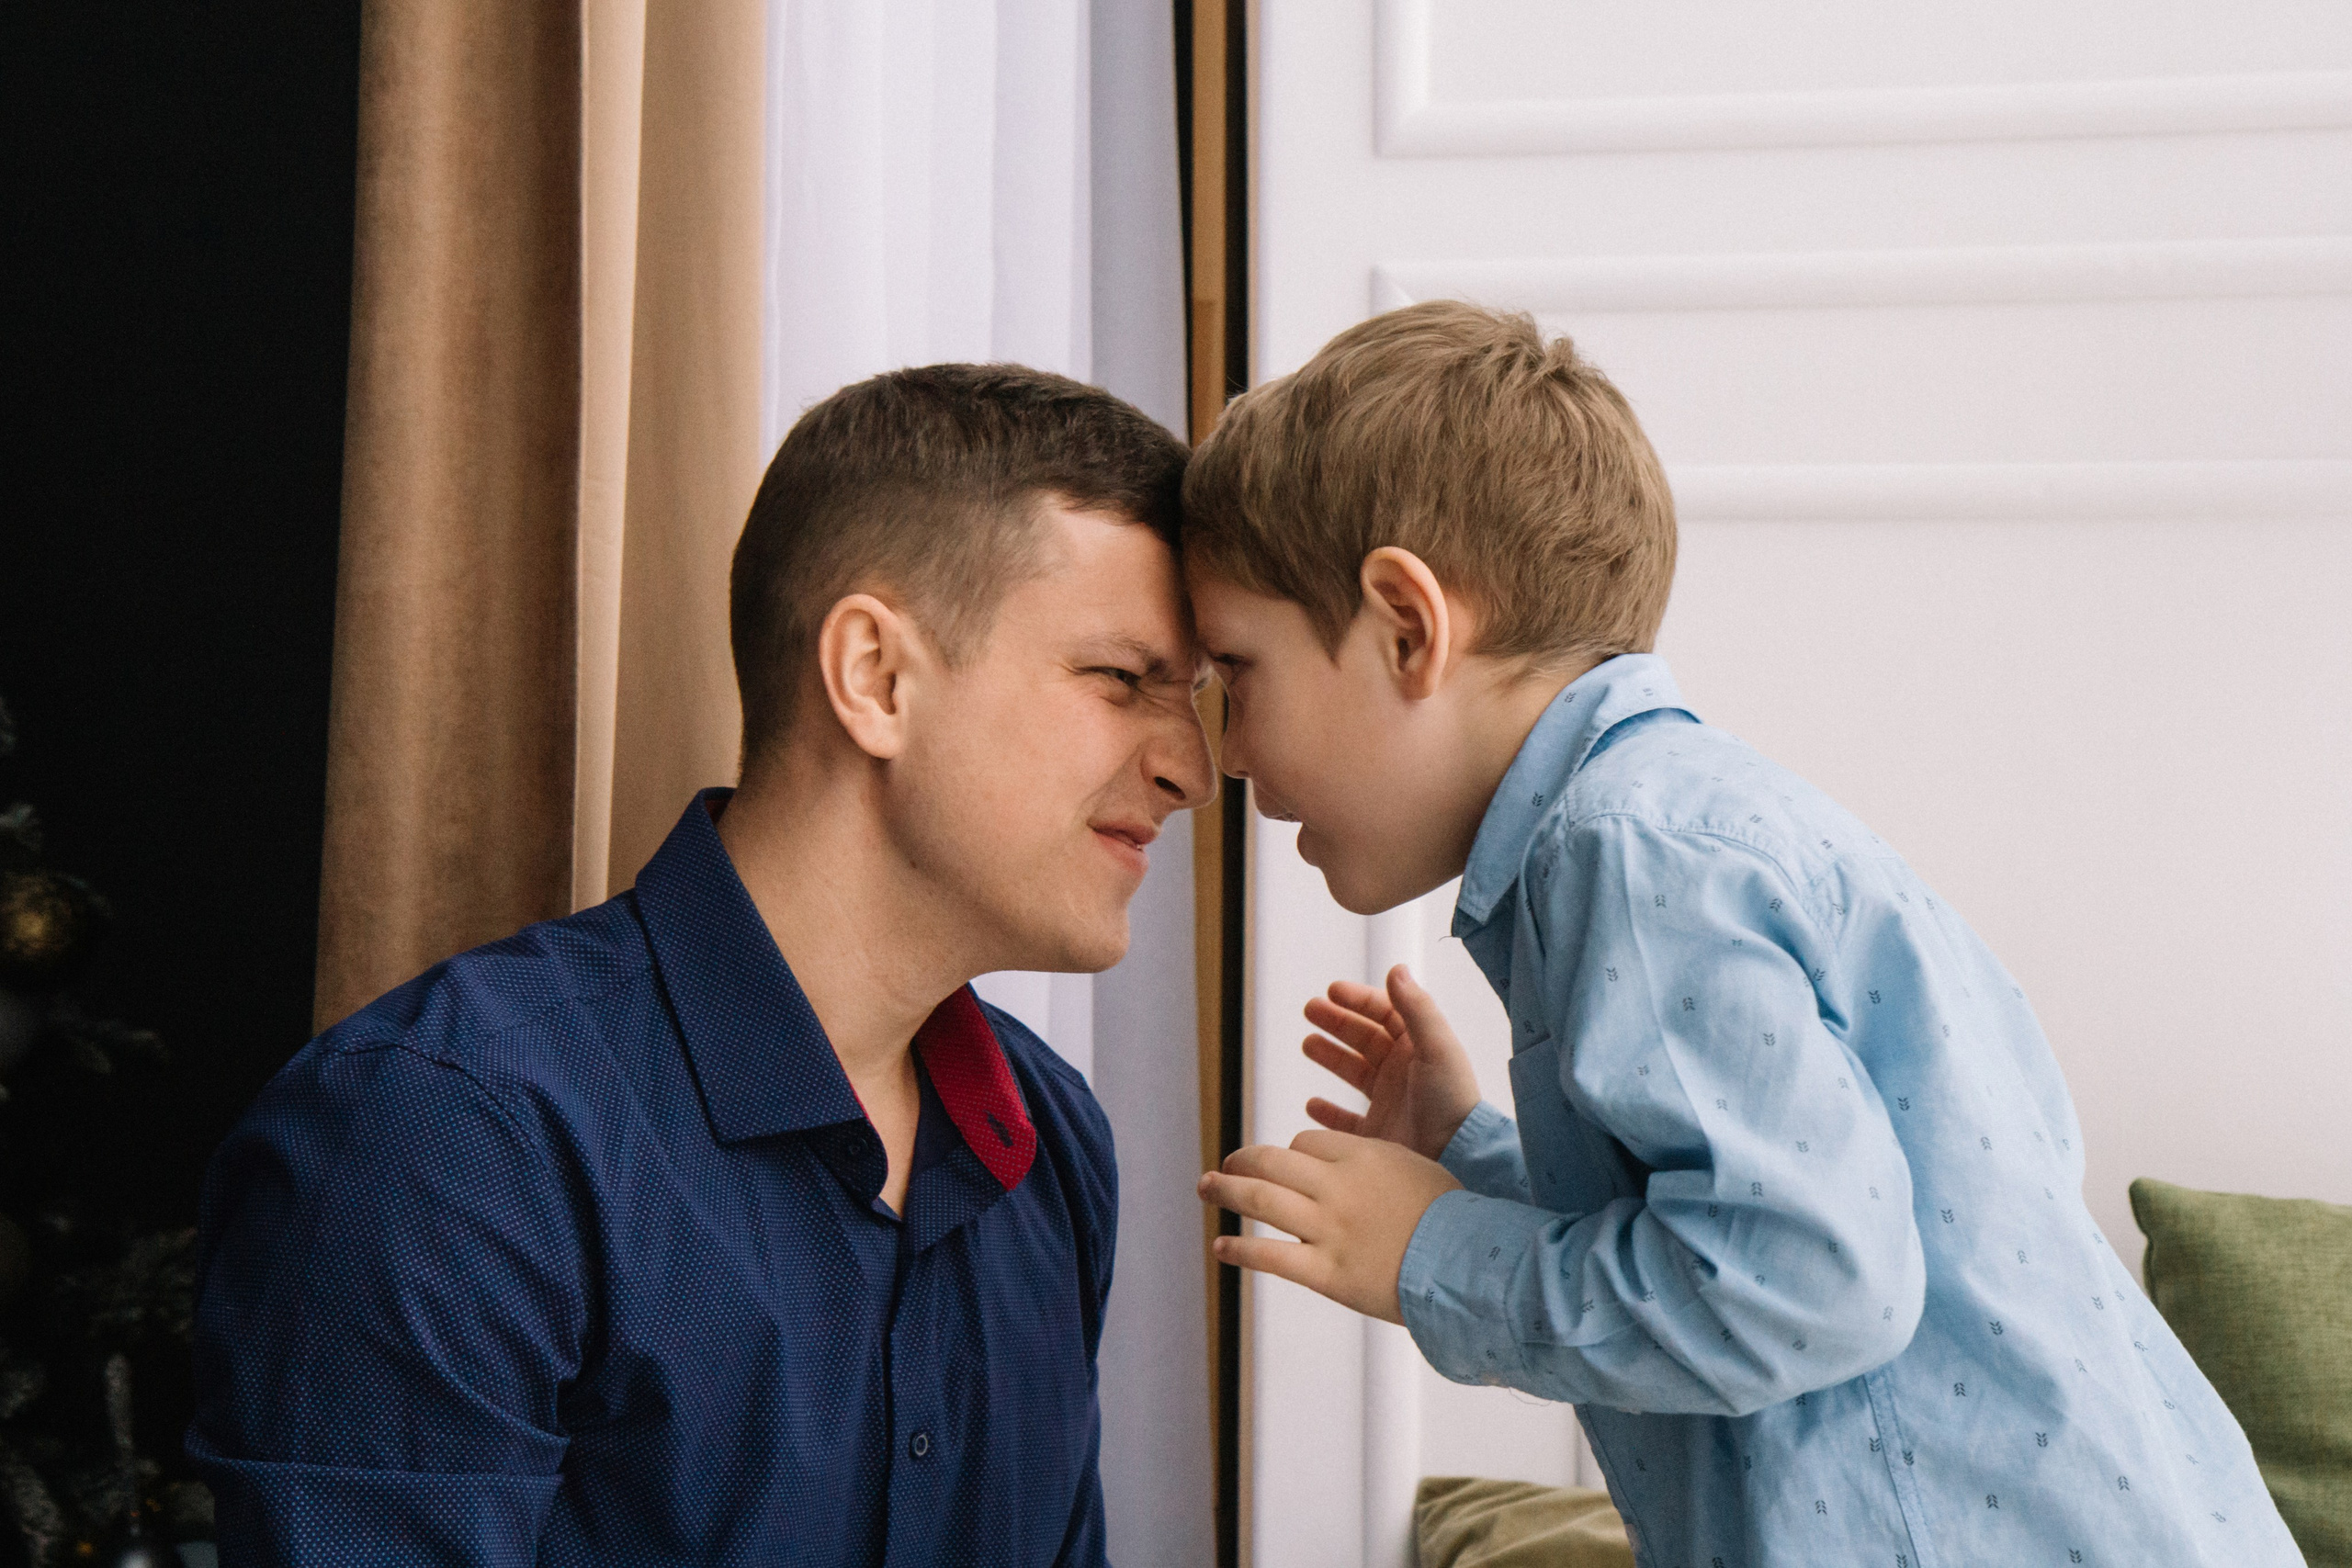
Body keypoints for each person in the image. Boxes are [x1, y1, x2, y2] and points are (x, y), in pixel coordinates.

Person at [1187, 301, 2301, 1564]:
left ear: (1407, 626)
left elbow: (1806, 1288)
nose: (1224, 753)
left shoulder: (1629, 852)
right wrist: (1470, 1154)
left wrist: (1433, 1253)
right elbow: (1731, 1231)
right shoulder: (1670, 830)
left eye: (1240, 672)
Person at [188, 365, 1215, 1565]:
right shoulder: (450, 1137)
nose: (1190, 766)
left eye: (1190, 697)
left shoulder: (1050, 1143)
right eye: (1122, 681)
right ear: (875, 678)